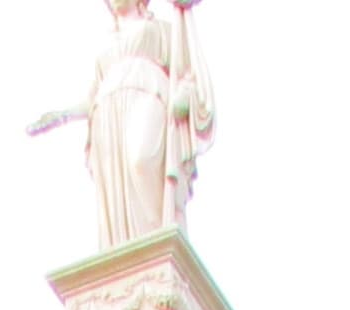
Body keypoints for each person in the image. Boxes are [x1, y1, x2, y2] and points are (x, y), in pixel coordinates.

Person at [33, 0, 215, 250]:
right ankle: (128, 256)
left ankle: (160, 247)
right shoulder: (107, 42)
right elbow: (92, 97)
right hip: (106, 116)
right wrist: (62, 115)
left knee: (141, 160)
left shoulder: (161, 29)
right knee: (116, 197)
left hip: (149, 94)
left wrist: (184, 93)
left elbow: (186, 71)